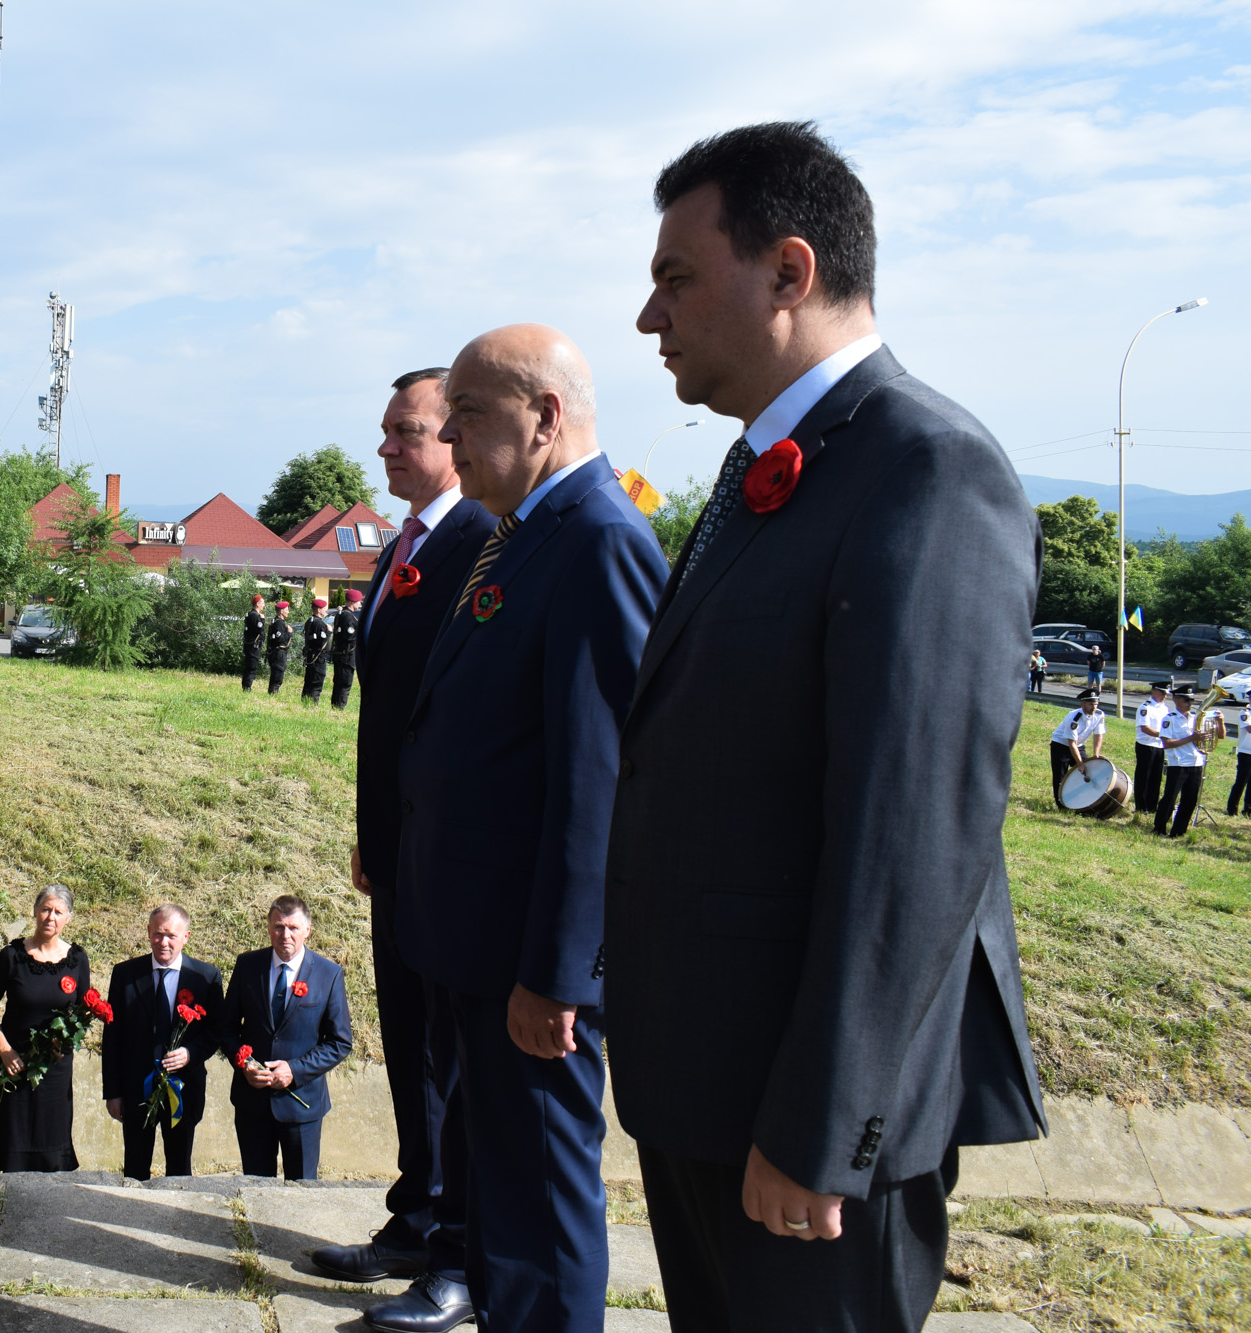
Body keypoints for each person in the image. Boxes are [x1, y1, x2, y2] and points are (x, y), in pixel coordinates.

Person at [608, 122, 1046, 1332]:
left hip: (799, 1128)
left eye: (675, 277)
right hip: (706, 1081)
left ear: (788, 271)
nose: (649, 317)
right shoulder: (764, 464)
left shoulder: (926, 468)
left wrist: (822, 1124)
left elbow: (915, 835)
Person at [396, 325, 665, 1333]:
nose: (448, 438)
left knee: (541, 1206)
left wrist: (559, 974)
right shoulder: (525, 530)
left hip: (529, 964)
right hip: (479, 944)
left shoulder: (597, 539)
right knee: (503, 1201)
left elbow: (601, 779)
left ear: (544, 416)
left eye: (467, 415)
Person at [316, 367, 498, 1332]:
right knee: (410, 1048)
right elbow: (386, 711)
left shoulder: (480, 541)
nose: (386, 446)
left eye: (406, 431)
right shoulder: (403, 545)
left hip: (450, 854)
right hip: (397, 847)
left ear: (454, 438)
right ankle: (418, 1217)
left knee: (453, 1060)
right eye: (385, 430)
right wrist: (372, 831)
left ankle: (461, 1249)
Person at [221, 896, 354, 1180]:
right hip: (252, 1102)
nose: (286, 935)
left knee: (302, 1192)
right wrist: (245, 1065)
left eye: (293, 928)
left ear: (308, 930)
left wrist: (294, 1070)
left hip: (302, 1105)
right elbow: (226, 1028)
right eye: (279, 927)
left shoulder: (328, 974)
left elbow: (339, 1042)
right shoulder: (248, 966)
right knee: (257, 1188)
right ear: (269, 927)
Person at [101, 904, 226, 1179]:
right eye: (158, 934)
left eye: (171, 935)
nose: (163, 942)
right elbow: (112, 1036)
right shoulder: (125, 974)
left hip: (184, 1087)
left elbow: (217, 1030)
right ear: (148, 932)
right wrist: (113, 1092)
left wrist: (190, 1053)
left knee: (179, 1170)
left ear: (186, 937)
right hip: (136, 1089)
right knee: (134, 1168)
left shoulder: (206, 978)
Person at [0, 886, 92, 1171]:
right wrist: (4, 1050)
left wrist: (64, 1042)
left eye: (58, 912)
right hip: (14, 1063)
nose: (50, 917)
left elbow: (82, 1014)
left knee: (51, 1140)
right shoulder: (11, 957)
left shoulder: (77, 960)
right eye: (45, 909)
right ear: (35, 911)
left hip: (55, 1066)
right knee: (14, 1138)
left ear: (68, 918)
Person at [1154, 685, 1208, 838]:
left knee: (1190, 800)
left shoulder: (1196, 719)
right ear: (1176, 699)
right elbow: (1167, 743)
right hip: (1178, 764)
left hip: (1196, 762)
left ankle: (1178, 831)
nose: (1190, 703)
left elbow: (1201, 740)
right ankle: (1159, 829)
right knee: (1170, 798)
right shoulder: (1169, 719)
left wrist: (1204, 738)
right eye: (1186, 700)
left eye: (1191, 700)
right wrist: (1192, 738)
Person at [1050, 689, 1106, 809]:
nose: (1094, 707)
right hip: (1061, 745)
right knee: (1060, 776)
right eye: (1091, 704)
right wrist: (1080, 764)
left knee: (1089, 771)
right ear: (1082, 704)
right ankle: (1062, 805)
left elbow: (1098, 735)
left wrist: (1096, 753)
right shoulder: (1074, 718)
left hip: (1079, 746)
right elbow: (1072, 743)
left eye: (1096, 704)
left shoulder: (1099, 715)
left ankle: (1085, 802)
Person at [1133, 681, 1170, 814]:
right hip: (1146, 745)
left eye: (1166, 694)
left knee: (1156, 777)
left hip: (1159, 745)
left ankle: (1152, 806)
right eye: (1162, 693)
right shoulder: (1145, 708)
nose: (1164, 696)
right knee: (1144, 777)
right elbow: (1144, 728)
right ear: (1154, 691)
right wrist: (1163, 735)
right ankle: (1141, 807)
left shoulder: (1165, 708)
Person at [329, 588, 362, 709]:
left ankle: (335, 706)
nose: (360, 603)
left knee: (339, 681)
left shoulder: (341, 614)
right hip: (346, 654)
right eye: (358, 601)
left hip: (341, 653)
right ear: (352, 602)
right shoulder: (348, 617)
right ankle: (339, 707)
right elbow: (349, 636)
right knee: (344, 682)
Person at [301, 596, 333, 703]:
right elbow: (322, 642)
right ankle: (313, 703)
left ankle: (305, 702)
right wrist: (329, 632)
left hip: (310, 655)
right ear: (319, 610)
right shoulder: (319, 623)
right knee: (317, 681)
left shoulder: (309, 621)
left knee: (309, 680)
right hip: (318, 657)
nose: (326, 610)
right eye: (324, 608)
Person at [267, 600, 295, 694]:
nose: (288, 612)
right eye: (287, 610)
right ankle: (273, 692)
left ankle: (273, 691)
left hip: (276, 652)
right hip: (278, 652)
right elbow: (280, 639)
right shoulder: (279, 623)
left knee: (277, 673)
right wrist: (289, 633)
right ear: (282, 611)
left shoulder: (276, 621)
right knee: (278, 674)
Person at [1229, 701, 1251, 817]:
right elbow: (1249, 728)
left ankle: (1248, 810)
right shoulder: (1245, 712)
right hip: (1246, 752)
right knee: (1241, 782)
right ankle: (1232, 809)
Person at [243, 592, 268, 690]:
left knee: (250, 666)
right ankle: (247, 687)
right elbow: (259, 629)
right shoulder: (254, 615)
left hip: (252, 645)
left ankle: (246, 686)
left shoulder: (251, 614)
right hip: (253, 646)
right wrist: (262, 620)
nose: (264, 605)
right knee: (252, 667)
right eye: (262, 603)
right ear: (258, 604)